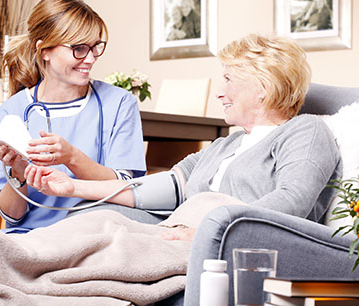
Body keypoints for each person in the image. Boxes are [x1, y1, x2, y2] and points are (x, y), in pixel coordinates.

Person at [24, 34, 341, 240]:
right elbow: (165, 187)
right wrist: (75, 187)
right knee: (91, 219)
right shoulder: (225, 145)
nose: (219, 92)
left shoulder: (306, 131)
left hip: (227, 241)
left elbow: (291, 202)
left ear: (263, 85)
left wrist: (206, 230)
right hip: (180, 230)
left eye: (228, 79)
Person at [0, 0, 146, 233]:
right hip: (29, 240)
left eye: (95, 47)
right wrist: (18, 174)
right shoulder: (9, 114)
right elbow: (12, 217)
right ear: (44, 50)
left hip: (95, 235)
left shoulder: (119, 104)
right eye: (78, 49)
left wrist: (71, 157)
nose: (90, 58)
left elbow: (126, 191)